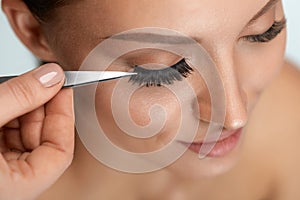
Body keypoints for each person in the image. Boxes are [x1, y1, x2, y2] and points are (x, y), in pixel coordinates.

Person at [1, 0, 300, 199]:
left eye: (262, 33)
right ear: (33, 31)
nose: (234, 114)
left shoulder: (290, 121)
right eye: (163, 69)